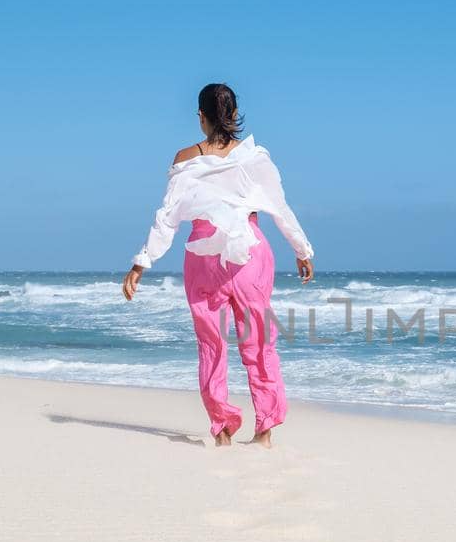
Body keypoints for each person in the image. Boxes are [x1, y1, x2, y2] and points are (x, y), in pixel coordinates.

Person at [122, 83, 314, 447]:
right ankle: (264, 432)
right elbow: (280, 208)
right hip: (251, 253)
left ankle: (223, 430)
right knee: (258, 343)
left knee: (211, 345)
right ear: (235, 115)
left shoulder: (184, 159)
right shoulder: (256, 157)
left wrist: (140, 264)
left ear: (200, 116)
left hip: (203, 254)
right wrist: (302, 250)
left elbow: (167, 218)